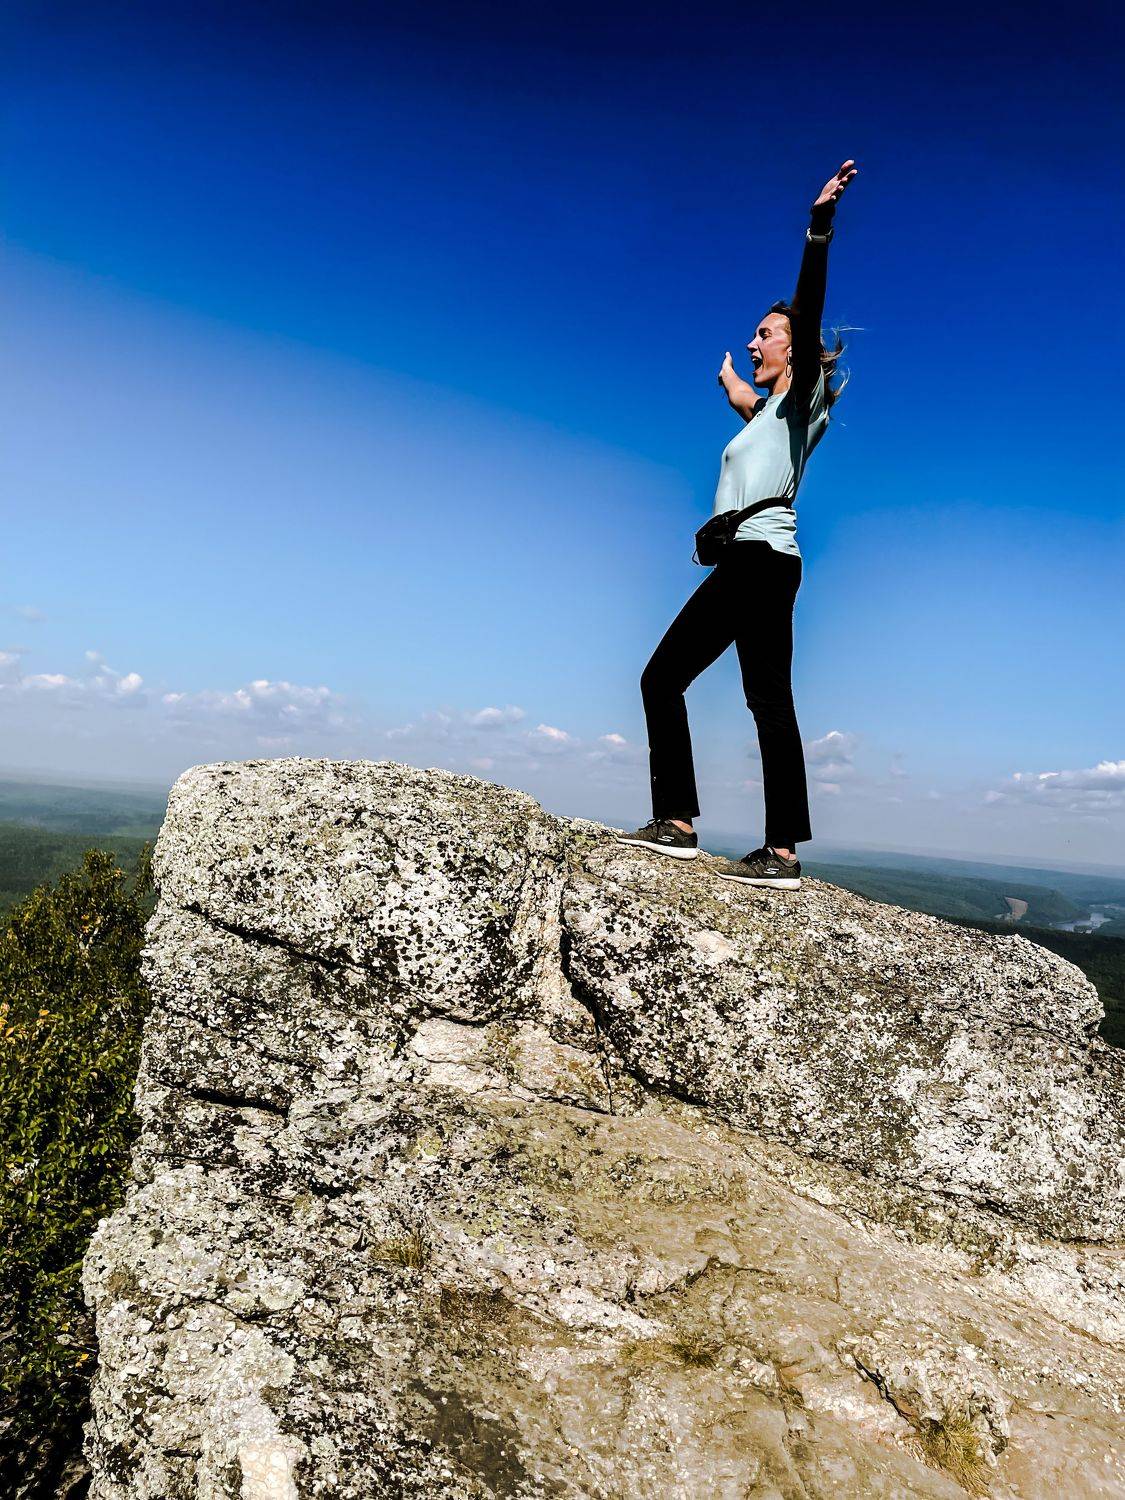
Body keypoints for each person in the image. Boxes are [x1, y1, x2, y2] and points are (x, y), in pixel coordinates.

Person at [616, 159, 858, 889]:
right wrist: (730, 381)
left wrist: (818, 230)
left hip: (757, 560)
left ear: (794, 345)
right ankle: (781, 853)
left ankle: (677, 823)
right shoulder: (771, 415)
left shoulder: (803, 397)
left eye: (764, 335)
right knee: (767, 700)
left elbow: (806, 314)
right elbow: (749, 412)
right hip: (764, 562)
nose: (754, 344)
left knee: (661, 678)